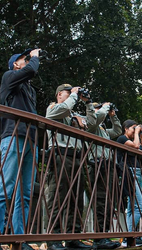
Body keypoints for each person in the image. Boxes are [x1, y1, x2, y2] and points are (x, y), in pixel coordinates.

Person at [0, 48, 41, 250]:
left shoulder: (30, 90)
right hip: (13, 136)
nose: (27, 61)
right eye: (23, 60)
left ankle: (20, 239)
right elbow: (31, 71)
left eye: (28, 58)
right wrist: (34, 57)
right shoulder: (9, 77)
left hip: (30, 139)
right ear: (15, 65)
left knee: (25, 193)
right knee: (5, 188)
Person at [44, 84, 96, 250]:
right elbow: (64, 109)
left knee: (76, 199)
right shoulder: (53, 108)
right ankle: (54, 238)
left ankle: (73, 237)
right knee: (58, 197)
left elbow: (93, 123)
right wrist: (74, 94)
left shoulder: (74, 114)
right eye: (69, 92)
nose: (74, 95)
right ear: (60, 94)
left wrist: (88, 103)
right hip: (60, 155)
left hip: (77, 157)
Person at [86, 102, 122, 249]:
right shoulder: (91, 124)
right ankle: (99, 238)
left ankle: (104, 234)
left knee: (108, 201)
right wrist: (104, 108)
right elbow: (96, 119)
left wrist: (113, 116)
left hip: (107, 166)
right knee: (100, 200)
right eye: (97, 108)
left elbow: (117, 130)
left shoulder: (102, 130)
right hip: (96, 164)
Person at [116, 120, 142, 247]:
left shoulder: (136, 139)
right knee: (141, 205)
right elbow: (135, 146)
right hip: (129, 172)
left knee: (132, 207)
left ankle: (130, 237)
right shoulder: (122, 138)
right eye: (133, 128)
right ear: (126, 129)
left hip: (138, 173)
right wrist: (137, 134)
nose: (136, 130)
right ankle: (128, 235)